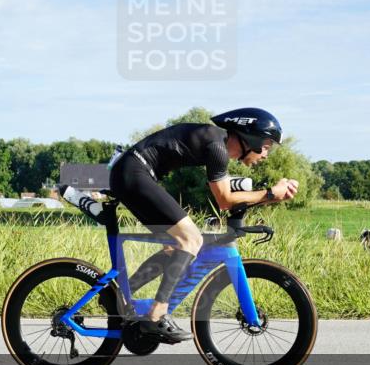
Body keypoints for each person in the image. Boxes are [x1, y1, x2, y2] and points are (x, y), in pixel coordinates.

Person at [108, 108, 299, 344]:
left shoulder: (216, 143)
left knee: (176, 246)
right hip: (134, 172)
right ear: (252, 138)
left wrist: (272, 194)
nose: (266, 155)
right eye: (267, 146)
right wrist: (271, 193)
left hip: (133, 173)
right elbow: (224, 200)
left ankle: (119, 295)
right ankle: (156, 314)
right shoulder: (216, 147)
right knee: (191, 240)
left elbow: (230, 192)